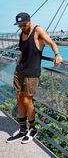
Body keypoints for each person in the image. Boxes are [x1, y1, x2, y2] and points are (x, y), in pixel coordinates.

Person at [6, 12, 63, 144]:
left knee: (27, 100)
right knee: (19, 99)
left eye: (24, 24)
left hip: (32, 72)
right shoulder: (21, 34)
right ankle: (22, 129)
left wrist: (57, 55)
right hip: (19, 70)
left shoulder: (37, 30)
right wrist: (19, 60)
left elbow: (51, 43)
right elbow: (23, 52)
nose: (22, 27)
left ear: (29, 21)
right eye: (19, 25)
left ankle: (32, 129)